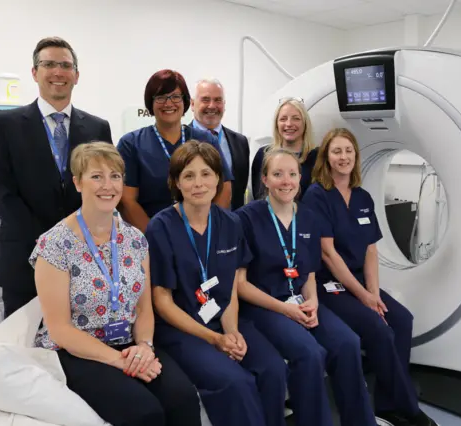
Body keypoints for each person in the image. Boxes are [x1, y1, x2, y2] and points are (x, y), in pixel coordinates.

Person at [29, 142, 201, 426]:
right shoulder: (55, 245)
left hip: (131, 343)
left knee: (182, 398)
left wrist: (144, 347)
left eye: (115, 176)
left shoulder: (135, 240)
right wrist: (120, 360)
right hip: (78, 351)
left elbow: (144, 310)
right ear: (77, 182)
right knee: (143, 413)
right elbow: (60, 330)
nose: (107, 185)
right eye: (96, 176)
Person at [146, 141, 288, 426]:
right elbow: (162, 302)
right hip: (180, 329)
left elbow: (231, 288)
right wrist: (215, 339)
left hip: (223, 320)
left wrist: (232, 332)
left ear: (218, 179)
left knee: (273, 369)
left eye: (206, 174)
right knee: (235, 382)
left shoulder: (230, 223)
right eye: (188, 176)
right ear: (176, 182)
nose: (198, 183)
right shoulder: (160, 227)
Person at [302, 128, 438, 426]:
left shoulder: (363, 197)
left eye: (348, 151)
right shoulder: (317, 196)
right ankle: (410, 409)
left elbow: (371, 251)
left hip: (359, 283)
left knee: (402, 320)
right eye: (336, 151)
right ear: (326, 157)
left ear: (356, 156)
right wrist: (364, 297)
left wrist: (373, 292)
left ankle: (387, 406)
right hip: (328, 284)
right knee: (379, 329)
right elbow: (328, 254)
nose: (343, 157)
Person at [236, 148, 377, 426]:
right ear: (264, 179)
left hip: (301, 300)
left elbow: (309, 273)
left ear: (300, 177)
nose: (285, 181)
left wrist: (311, 301)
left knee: (349, 343)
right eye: (277, 174)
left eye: (291, 174)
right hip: (265, 305)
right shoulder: (246, 218)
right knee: (310, 353)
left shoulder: (309, 218)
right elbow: (240, 284)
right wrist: (286, 310)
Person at [0, 36, 113, 318]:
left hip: (85, 260)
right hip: (24, 261)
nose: (58, 72)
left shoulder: (97, 127)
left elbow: (104, 191)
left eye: (66, 65)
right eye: (49, 64)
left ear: (76, 76)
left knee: (78, 348)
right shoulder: (3, 125)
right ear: (35, 72)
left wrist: (81, 243)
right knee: (23, 350)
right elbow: (2, 194)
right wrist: (52, 245)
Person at [117, 70, 233, 232]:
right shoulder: (131, 144)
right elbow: (126, 200)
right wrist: (156, 238)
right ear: (150, 102)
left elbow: (224, 188)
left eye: (175, 97)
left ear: (185, 101)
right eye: (160, 97)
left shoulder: (206, 140)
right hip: (151, 239)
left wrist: (207, 232)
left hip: (202, 234)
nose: (168, 103)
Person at [189, 78, 249, 211]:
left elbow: (239, 191)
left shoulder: (240, 142)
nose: (212, 106)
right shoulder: (181, 140)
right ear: (192, 104)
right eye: (205, 99)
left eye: (218, 100)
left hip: (232, 224)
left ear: (224, 104)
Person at [250, 97, 317, 200]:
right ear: (277, 124)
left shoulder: (317, 156)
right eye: (283, 119)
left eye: (296, 118)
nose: (289, 124)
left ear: (305, 123)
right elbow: (258, 195)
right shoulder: (263, 154)